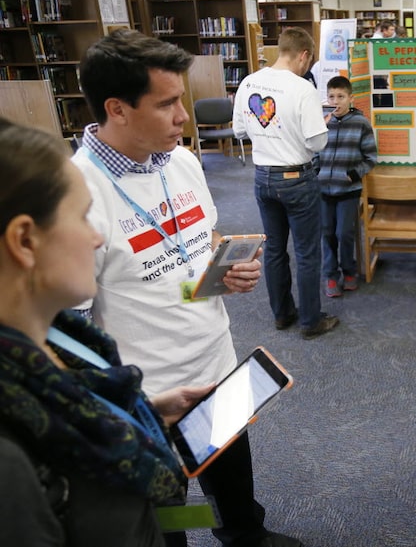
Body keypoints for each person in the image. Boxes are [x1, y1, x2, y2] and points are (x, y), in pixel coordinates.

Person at [70, 30, 302, 547]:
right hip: (150, 396)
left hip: (216, 361)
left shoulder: (183, 161)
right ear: (118, 109)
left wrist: (222, 270)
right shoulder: (76, 194)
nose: (184, 117)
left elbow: (202, 239)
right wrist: (122, 409)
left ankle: (245, 534)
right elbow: (71, 330)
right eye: (168, 103)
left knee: (233, 481)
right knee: (164, 515)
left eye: (184, 100)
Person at [0, 117, 215, 546]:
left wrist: (143, 414)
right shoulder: (9, 463)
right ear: (25, 240)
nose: (98, 238)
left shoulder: (58, 338)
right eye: (81, 217)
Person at [233, 27, 339, 340]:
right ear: (304, 55)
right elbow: (317, 143)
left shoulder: (248, 82)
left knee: (275, 249)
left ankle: (282, 314)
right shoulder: (302, 87)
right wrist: (323, 124)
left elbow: (239, 130)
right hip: (296, 178)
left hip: (262, 177)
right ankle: (310, 321)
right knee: (307, 252)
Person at [315, 76, 377, 298]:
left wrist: (353, 174)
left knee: (344, 233)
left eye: (341, 96)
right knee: (327, 232)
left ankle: (349, 271)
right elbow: (313, 151)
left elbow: (371, 157)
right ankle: (330, 275)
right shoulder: (323, 122)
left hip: (349, 190)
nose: (336, 101)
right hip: (323, 189)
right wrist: (315, 172)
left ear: (351, 98)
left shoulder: (361, 123)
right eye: (331, 96)